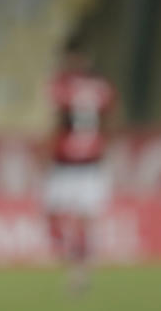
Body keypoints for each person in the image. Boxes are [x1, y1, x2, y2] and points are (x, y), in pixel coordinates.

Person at [40, 36, 115, 293]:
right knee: (71, 218)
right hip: (89, 164)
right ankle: (77, 264)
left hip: (69, 164)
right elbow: (112, 118)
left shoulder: (61, 86)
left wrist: (45, 150)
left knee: (68, 218)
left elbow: (56, 120)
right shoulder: (101, 86)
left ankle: (78, 271)